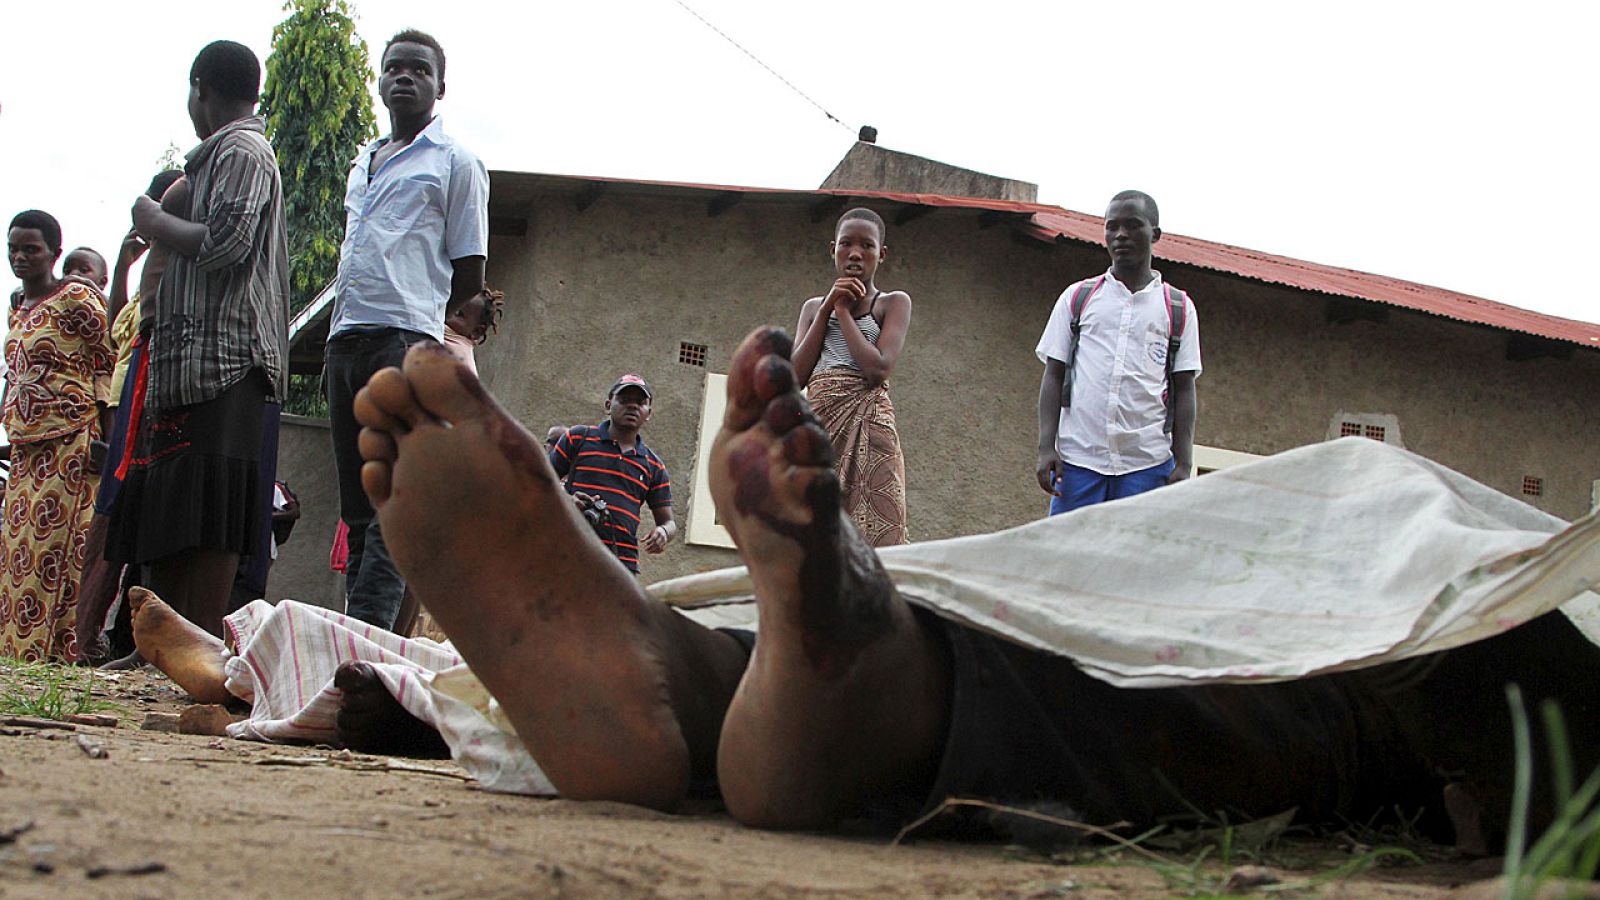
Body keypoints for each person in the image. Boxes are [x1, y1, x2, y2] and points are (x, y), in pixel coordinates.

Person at [331, 329, 1596, 841]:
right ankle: (790, 667)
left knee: (1205, 643)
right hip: (1389, 583)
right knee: (1240, 661)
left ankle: (772, 664)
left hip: (1405, 588)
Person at [105, 40, 290, 643]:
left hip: (227, 362)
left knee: (211, 512)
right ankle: (162, 648)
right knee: (177, 506)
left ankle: (200, 648)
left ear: (199, 88)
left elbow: (227, 244)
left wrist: (153, 221)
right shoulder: (214, 159)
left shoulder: (244, 150)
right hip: (189, 364)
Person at [324, 28, 489, 632]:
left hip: (403, 340)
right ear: (380, 80)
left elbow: (469, 269)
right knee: (356, 503)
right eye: (395, 67)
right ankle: (354, 629)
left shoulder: (455, 163)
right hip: (345, 340)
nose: (405, 77)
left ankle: (366, 635)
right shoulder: (363, 162)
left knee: (390, 498)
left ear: (439, 86)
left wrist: (421, 317)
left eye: (420, 70)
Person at [75, 172, 187, 663]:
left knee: (130, 521)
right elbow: (119, 324)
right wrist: (123, 264)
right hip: (123, 407)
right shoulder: (150, 274)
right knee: (111, 519)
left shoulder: (179, 268)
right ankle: (87, 636)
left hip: (148, 402)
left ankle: (122, 636)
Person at [1036, 190, 1200, 514]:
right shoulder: (1078, 298)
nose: (1120, 235)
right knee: (1066, 558)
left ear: (1155, 234)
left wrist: (1184, 462)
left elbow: (1185, 390)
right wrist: (1045, 448)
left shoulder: (1177, 307)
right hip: (1079, 463)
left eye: (1132, 225)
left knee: (1135, 562)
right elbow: (1053, 375)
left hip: (1147, 466)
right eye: (1112, 227)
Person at [1, 211, 116, 661]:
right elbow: (17, 372)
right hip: (25, 446)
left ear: (54, 252)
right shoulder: (18, 307)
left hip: (69, 439)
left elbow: (105, 363)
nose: (20, 256)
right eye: (14, 248)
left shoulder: (75, 299)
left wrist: (107, 439)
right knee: (16, 548)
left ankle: (60, 648)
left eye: (30, 248)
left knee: (55, 547)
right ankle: (17, 649)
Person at [790, 208, 912, 547]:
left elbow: (877, 370)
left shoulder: (892, 303)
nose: (855, 253)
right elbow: (796, 376)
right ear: (833, 249)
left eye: (867, 246)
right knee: (812, 532)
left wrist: (843, 312)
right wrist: (829, 306)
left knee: (876, 532)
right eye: (846, 244)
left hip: (870, 430)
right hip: (819, 431)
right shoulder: (814, 308)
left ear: (881, 254)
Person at [547, 375, 674, 574]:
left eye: (641, 402)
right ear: (608, 405)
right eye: (624, 400)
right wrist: (566, 499)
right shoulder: (578, 438)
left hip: (620, 567)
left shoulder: (654, 466)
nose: (632, 406)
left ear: (648, 413)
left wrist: (663, 532)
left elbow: (668, 521)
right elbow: (537, 482)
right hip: (566, 554)